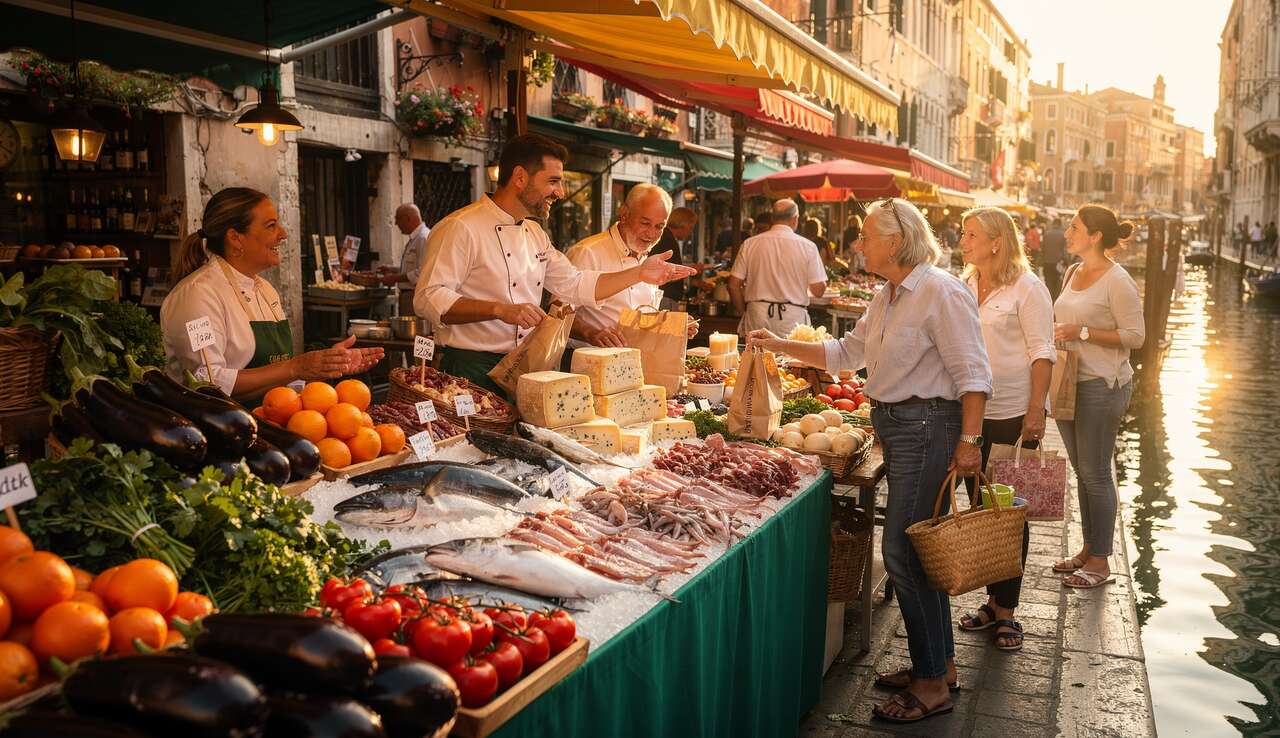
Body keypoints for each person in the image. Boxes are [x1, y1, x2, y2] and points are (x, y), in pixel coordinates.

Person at [747, 198, 991, 724]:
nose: (858, 244)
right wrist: (777, 345)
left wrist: (970, 442)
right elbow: (845, 354)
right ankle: (939, 664)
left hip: (927, 427)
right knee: (918, 549)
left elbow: (974, 374)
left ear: (896, 242)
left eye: (865, 236)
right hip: (900, 426)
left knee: (901, 549)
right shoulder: (889, 294)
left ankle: (931, 683)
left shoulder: (941, 291)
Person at [414, 134, 696, 395]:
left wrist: (639, 273)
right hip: (470, 367)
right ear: (520, 177)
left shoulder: (534, 233)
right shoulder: (460, 227)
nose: (560, 192)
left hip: (523, 366)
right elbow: (428, 298)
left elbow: (574, 283)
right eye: (553, 181)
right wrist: (499, 309)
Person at [161, 187, 384, 401]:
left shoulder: (266, 291)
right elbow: (207, 383)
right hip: (216, 425)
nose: (283, 234)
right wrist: (295, 367)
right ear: (235, 237)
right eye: (271, 226)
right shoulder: (197, 295)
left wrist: (322, 367)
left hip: (270, 419)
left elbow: (281, 383)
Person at [954, 207, 1056, 652]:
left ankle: (1007, 611)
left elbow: (1042, 352)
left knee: (1010, 514)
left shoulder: (1028, 288)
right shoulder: (963, 284)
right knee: (981, 510)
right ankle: (993, 601)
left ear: (997, 241)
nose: (962, 241)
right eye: (963, 233)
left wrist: (1037, 411)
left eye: (971, 234)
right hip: (969, 413)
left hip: (1013, 414)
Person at [1051, 204, 1145, 589]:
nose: (1067, 232)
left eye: (1074, 227)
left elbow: (1136, 337)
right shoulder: (1073, 271)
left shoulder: (1118, 281)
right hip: (1068, 381)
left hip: (1102, 386)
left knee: (1096, 473)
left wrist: (1082, 332)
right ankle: (1089, 548)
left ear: (1095, 236)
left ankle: (1101, 562)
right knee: (1083, 470)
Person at [564, 185, 695, 347]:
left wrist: (671, 324)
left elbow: (640, 319)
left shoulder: (647, 257)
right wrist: (590, 333)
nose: (651, 234)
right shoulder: (587, 252)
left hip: (636, 358)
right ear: (625, 214)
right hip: (589, 358)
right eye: (645, 223)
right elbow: (559, 311)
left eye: (659, 227)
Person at [728, 198, 827, 338]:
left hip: (757, 313)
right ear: (795, 219)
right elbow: (818, 290)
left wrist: (742, 311)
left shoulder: (750, 244)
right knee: (789, 353)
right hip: (792, 318)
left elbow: (733, 285)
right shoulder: (808, 247)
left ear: (773, 218)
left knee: (755, 352)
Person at [381, 203, 430, 314]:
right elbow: (412, 267)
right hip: (408, 296)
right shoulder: (416, 238)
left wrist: (394, 278)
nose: (396, 223)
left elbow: (423, 272)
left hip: (415, 296)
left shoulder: (423, 238)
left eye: (397, 219)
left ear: (407, 218)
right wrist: (393, 270)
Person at [656, 206, 700, 310]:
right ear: (684, 224)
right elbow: (670, 272)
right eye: (691, 227)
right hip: (665, 296)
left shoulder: (666, 236)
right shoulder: (668, 239)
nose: (690, 232)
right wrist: (691, 272)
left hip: (663, 295)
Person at [1040, 218, 1067, 299]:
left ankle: (1049, 299)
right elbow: (1065, 250)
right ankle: (1055, 300)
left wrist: (1042, 261)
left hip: (1047, 262)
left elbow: (1042, 248)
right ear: (1060, 224)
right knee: (1058, 284)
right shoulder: (1063, 235)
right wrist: (1067, 262)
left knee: (1048, 283)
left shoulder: (1047, 234)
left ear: (1053, 224)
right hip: (1058, 263)